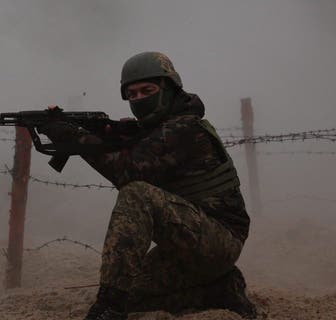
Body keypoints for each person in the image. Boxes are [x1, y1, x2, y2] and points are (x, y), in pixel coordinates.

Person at [39, 52, 257, 320]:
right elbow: (135, 150)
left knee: (136, 194)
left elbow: (126, 171)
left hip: (219, 241)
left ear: (169, 88)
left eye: (148, 90)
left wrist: (73, 136)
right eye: (132, 94)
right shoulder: (158, 127)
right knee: (133, 295)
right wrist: (90, 133)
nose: (139, 98)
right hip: (189, 243)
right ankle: (218, 290)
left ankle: (109, 308)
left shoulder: (182, 128)